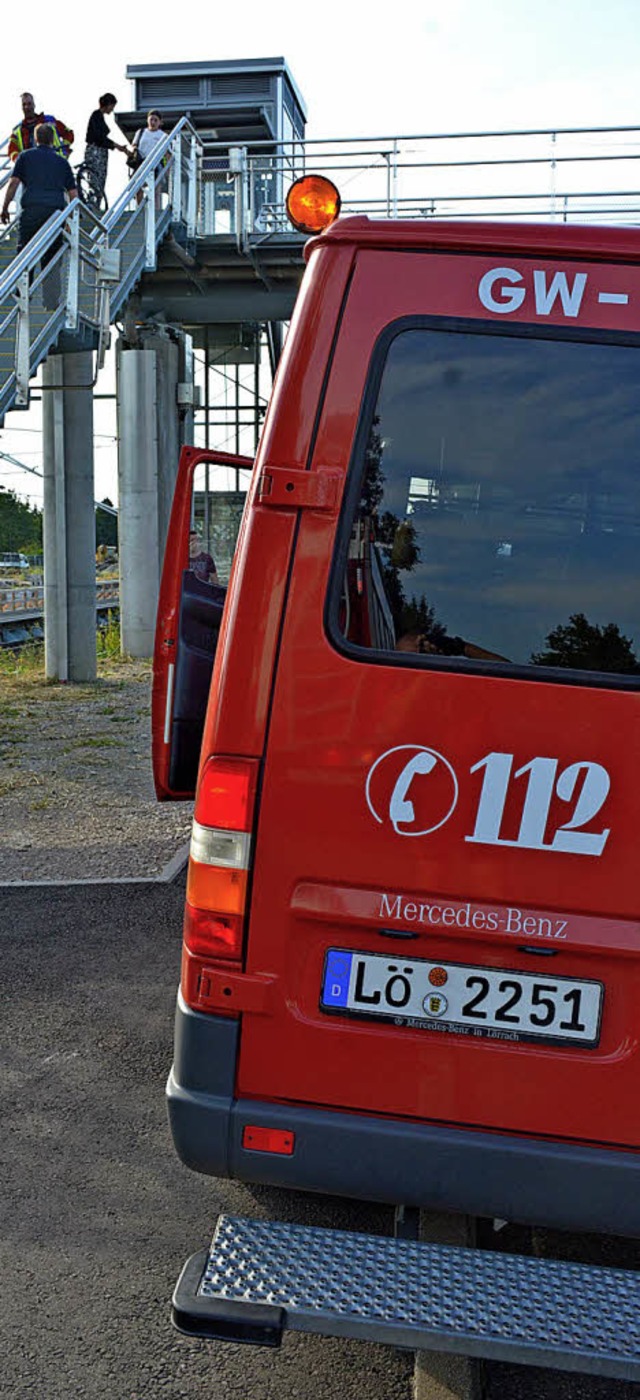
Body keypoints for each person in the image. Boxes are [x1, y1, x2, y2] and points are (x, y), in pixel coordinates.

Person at [1, 124, 78, 309]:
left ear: (36, 139)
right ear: (52, 140)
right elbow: (74, 195)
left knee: (25, 254)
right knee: (51, 257)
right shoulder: (62, 162)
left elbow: (13, 184)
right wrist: (71, 221)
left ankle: (22, 298)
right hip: (55, 214)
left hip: (31, 211)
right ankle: (51, 303)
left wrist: (4, 208)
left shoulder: (25, 157)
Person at [83, 93, 129, 209]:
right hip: (96, 152)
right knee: (96, 178)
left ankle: (96, 204)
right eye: (112, 106)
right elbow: (100, 138)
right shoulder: (96, 116)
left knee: (99, 179)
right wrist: (117, 146)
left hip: (98, 151)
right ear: (108, 104)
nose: (112, 109)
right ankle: (93, 204)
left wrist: (117, 147)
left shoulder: (98, 116)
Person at [8, 91, 73, 161]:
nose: (27, 107)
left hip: (54, 163)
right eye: (24, 104)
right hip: (32, 168)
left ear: (34, 105)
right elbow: (12, 151)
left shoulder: (49, 120)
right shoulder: (17, 131)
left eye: (29, 104)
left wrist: (64, 149)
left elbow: (68, 133)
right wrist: (20, 162)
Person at [130, 110, 165, 206]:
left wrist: (168, 170)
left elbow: (167, 153)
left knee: (156, 189)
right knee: (138, 187)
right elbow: (134, 145)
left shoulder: (162, 135)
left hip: (156, 163)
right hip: (141, 162)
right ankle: (139, 209)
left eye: (155, 120)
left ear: (160, 122)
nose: (153, 122)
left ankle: (156, 211)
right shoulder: (141, 132)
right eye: (151, 119)